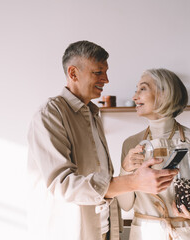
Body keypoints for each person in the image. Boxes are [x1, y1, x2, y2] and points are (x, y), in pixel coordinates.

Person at [27, 41, 178, 240]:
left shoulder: (92, 114)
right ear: (73, 73)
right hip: (71, 233)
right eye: (98, 72)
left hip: (104, 230)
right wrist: (133, 181)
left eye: (105, 72)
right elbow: (62, 184)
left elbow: (100, 178)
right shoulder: (50, 114)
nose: (106, 79)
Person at [117, 68, 190, 240]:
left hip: (188, 233)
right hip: (144, 234)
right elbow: (125, 205)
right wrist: (125, 169)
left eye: (142, 89)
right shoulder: (131, 145)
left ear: (166, 94)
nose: (135, 97)